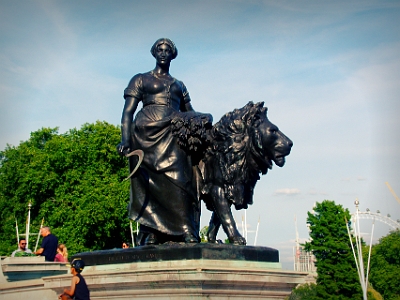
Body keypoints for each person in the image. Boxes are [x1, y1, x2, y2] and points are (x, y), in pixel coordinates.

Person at [117, 38, 210, 245]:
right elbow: (127, 112)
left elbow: (189, 112)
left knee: (180, 179)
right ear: (154, 52)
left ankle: (186, 228)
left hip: (173, 134)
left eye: (167, 50)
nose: (163, 52)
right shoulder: (140, 79)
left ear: (172, 54)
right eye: (160, 49)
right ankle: (151, 231)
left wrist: (205, 118)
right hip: (145, 137)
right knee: (148, 184)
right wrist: (125, 140)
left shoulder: (179, 85)